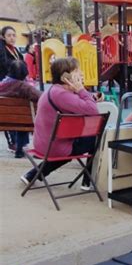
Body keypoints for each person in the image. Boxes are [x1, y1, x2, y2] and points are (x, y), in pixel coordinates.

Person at [21, 57, 99, 188]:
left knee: (82, 141)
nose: (81, 73)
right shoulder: (61, 95)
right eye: (77, 70)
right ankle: (87, 181)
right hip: (54, 147)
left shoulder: (54, 90)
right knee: (96, 137)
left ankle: (33, 174)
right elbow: (93, 110)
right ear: (65, 77)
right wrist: (81, 89)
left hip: (44, 143)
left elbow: (79, 103)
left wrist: (89, 96)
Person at [0, 60, 41, 157]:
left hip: (4, 119)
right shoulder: (24, 87)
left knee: (18, 118)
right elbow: (40, 97)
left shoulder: (2, 85)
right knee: (24, 121)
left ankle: (17, 146)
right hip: (25, 120)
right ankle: (20, 149)